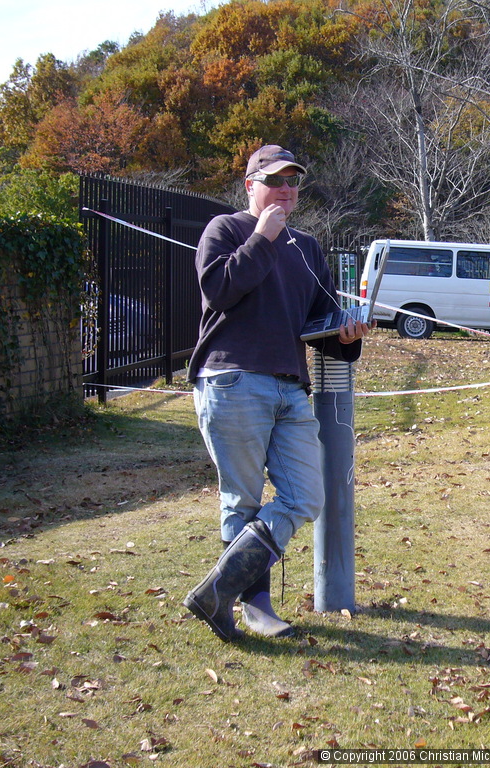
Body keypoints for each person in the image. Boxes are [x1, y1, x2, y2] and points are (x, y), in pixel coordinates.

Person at [183, 145, 372, 642]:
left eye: (293, 181)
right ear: (251, 185)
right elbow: (219, 291)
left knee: (306, 495)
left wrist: (346, 334)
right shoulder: (225, 230)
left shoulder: (306, 247)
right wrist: (263, 237)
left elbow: (319, 326)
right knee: (242, 501)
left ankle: (218, 591)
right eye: (274, 180)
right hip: (233, 379)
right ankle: (256, 608)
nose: (286, 189)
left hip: (291, 387)